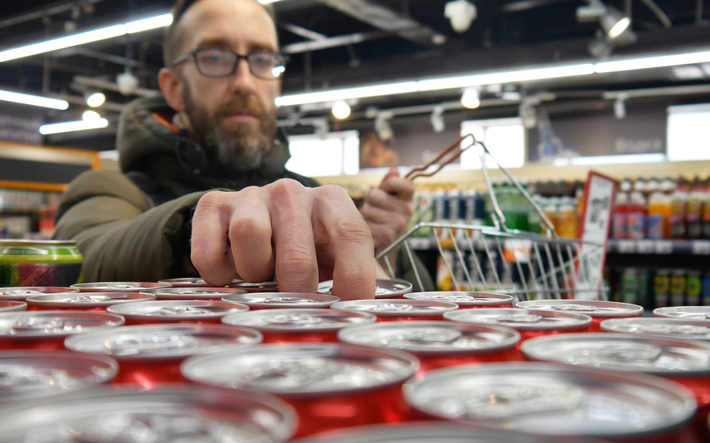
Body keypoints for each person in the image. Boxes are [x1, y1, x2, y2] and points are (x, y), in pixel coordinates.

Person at [54, 0, 432, 300]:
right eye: (215, 56)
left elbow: (422, 304)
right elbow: (86, 258)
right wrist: (203, 226)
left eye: (262, 59)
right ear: (174, 88)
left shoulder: (306, 191)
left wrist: (383, 249)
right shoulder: (109, 187)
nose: (245, 81)